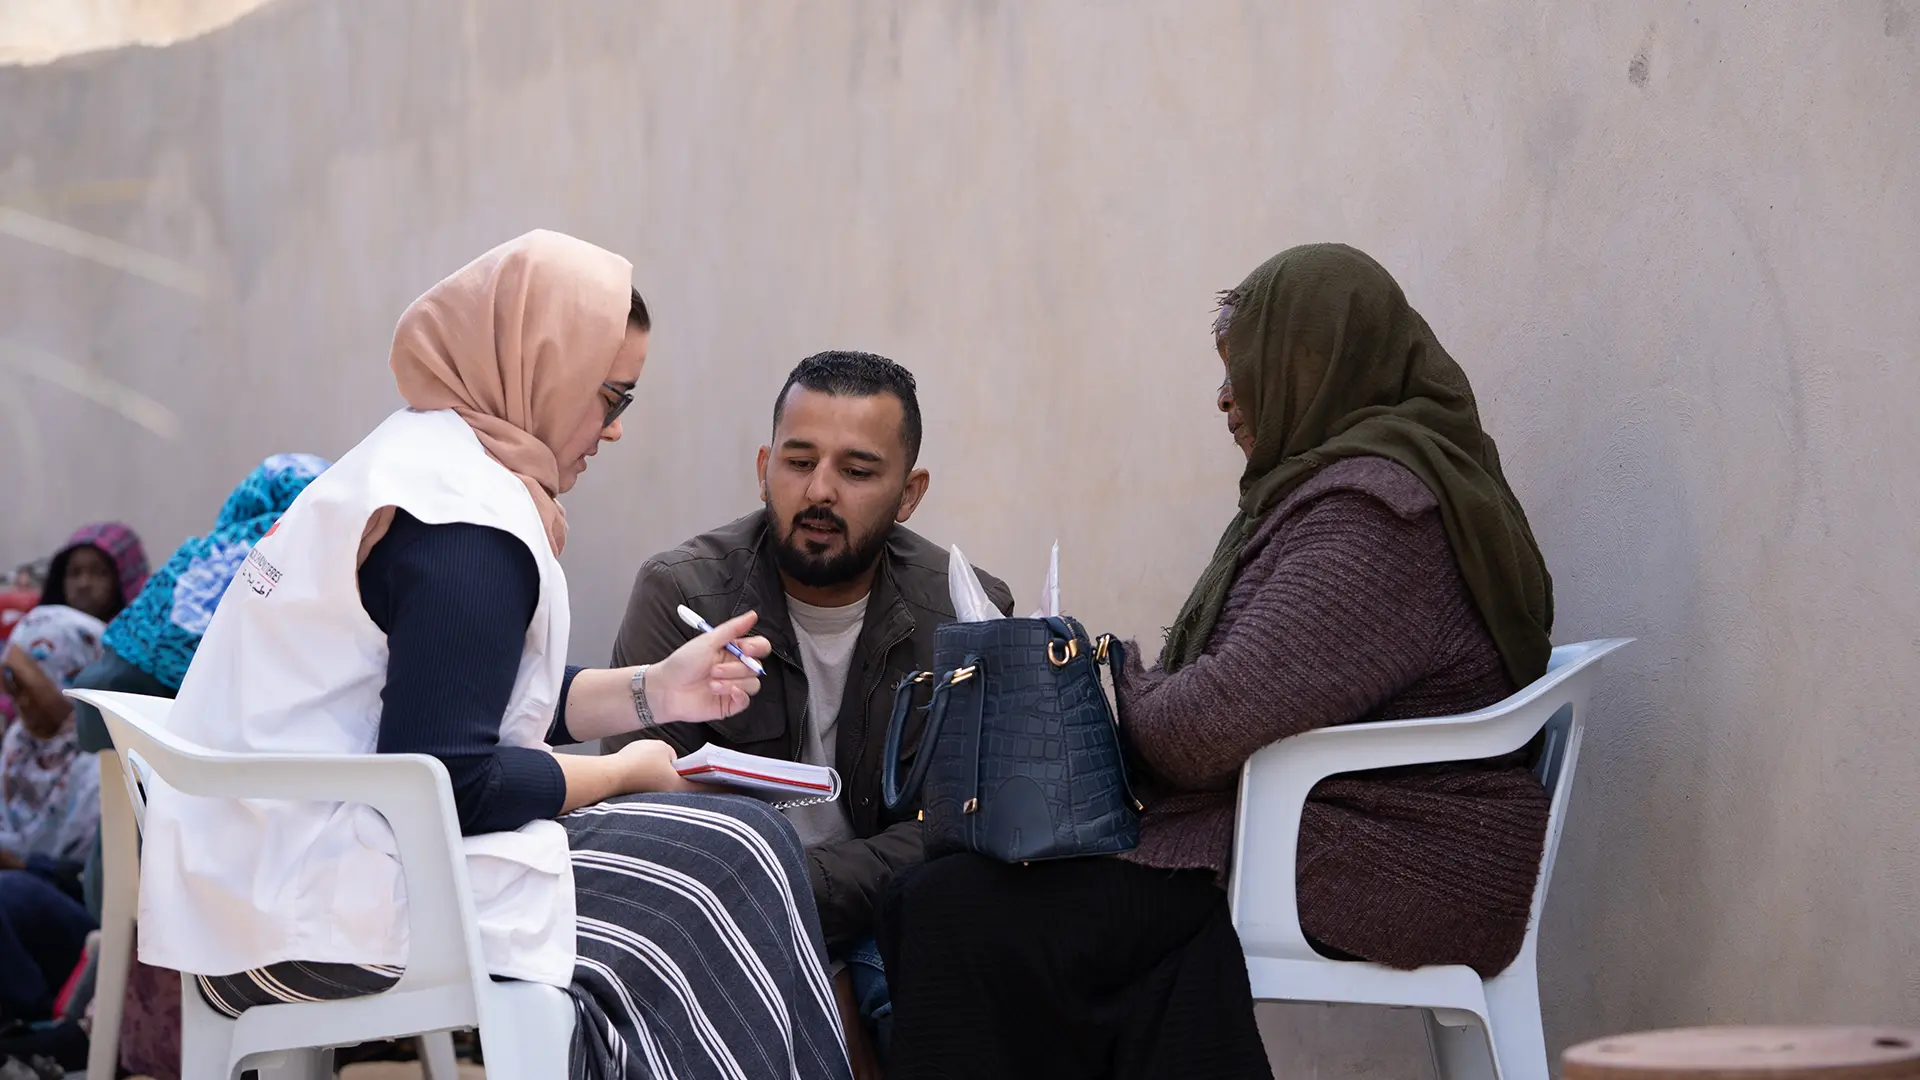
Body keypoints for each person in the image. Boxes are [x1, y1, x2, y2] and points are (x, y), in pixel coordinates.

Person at [136, 231, 851, 1080]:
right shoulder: (465, 522)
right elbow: (458, 781)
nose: (615, 430)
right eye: (612, 396)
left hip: (259, 879)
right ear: (535, 369)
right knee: (730, 857)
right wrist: (631, 771)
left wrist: (655, 692)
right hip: (308, 917)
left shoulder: (421, 459)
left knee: (734, 849)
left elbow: (455, 695)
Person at [878, 244, 1557, 1080]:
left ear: (1317, 366)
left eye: (1247, 372)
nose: (1225, 400)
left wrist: (1114, 670)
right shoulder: (1330, 496)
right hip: (1304, 833)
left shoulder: (1375, 518)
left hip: (1386, 857)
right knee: (959, 893)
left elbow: (1197, 734)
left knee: (948, 905)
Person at [604, 350, 1013, 1076]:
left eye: (857, 472)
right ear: (764, 465)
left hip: (885, 918)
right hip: (722, 921)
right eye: (798, 462)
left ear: (909, 491)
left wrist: (808, 903)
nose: (819, 491)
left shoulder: (965, 611)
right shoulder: (684, 595)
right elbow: (652, 824)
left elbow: (961, 831)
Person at [65, 452, 329, 1080]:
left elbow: (90, 712)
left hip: (146, 861)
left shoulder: (195, 560)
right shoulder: (318, 566)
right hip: (271, 861)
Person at [0, 605, 107, 1025]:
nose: (19, 698)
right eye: (11, 682)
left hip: (77, 912)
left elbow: (87, 878)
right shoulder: (19, 742)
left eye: (30, 684)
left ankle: (32, 1026)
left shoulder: (99, 762)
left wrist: (23, 865)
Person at [35, 524, 149, 625]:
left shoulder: (147, 643)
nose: (83, 584)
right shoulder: (39, 638)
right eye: (74, 573)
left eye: (99, 573)